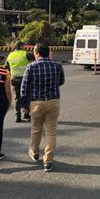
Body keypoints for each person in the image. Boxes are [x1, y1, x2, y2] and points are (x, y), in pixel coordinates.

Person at [20, 43, 65, 172]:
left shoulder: (31, 67)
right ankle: (48, 161)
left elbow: (24, 87)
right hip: (53, 101)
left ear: (37, 53)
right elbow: (61, 81)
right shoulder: (57, 65)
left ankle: (34, 152)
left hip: (36, 103)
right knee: (51, 132)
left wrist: (24, 105)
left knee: (36, 129)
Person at [6, 41, 35, 123]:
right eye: (24, 46)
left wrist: (11, 74)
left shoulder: (10, 55)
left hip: (15, 79)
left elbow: (6, 66)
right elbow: (36, 57)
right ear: (21, 46)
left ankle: (17, 115)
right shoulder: (25, 54)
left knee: (17, 98)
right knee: (27, 96)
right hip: (25, 79)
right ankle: (26, 113)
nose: (25, 47)